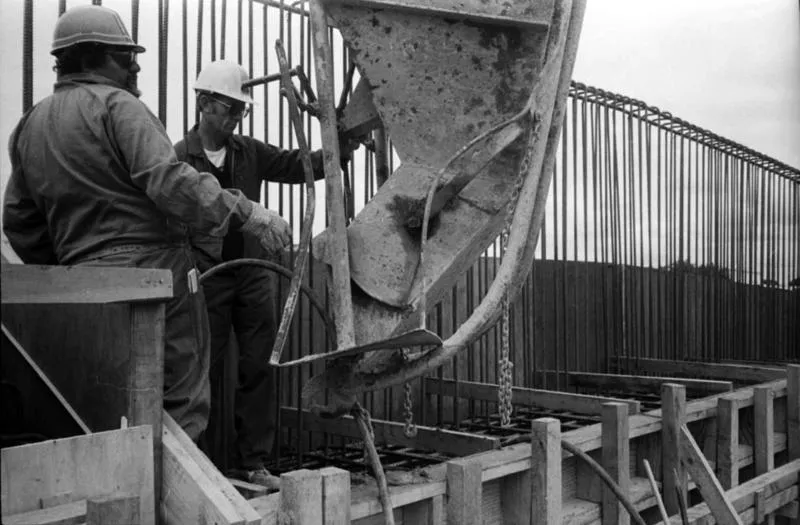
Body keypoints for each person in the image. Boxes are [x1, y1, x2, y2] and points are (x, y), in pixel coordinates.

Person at [2, 5, 290, 443]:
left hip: (83, 282)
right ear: (91, 55)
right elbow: (170, 182)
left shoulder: (31, 125)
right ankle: (168, 500)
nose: (134, 65)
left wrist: (77, 265)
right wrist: (245, 211)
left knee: (108, 397)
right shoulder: (119, 107)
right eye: (124, 56)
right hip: (158, 273)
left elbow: (20, 222)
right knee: (180, 397)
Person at [174, 59, 353, 488]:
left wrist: (340, 143)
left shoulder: (248, 151)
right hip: (208, 276)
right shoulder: (180, 158)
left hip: (253, 274)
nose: (236, 119)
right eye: (230, 109)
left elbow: (299, 166)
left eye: (241, 111)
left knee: (258, 366)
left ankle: (252, 460)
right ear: (203, 103)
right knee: (201, 373)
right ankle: (195, 464)